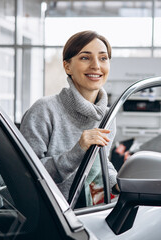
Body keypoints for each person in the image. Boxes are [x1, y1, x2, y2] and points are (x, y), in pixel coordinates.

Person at [20, 30, 118, 205]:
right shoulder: (44, 110)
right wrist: (77, 151)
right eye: (85, 58)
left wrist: (118, 184)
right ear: (67, 66)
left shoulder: (108, 117)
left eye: (103, 58)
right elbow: (25, 175)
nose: (96, 65)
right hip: (48, 216)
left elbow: (100, 166)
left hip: (84, 215)